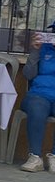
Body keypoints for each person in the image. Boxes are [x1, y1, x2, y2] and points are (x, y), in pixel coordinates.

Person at [18, 27, 55, 172]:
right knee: (37, 108)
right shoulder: (42, 49)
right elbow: (28, 75)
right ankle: (35, 157)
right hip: (38, 94)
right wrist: (35, 51)